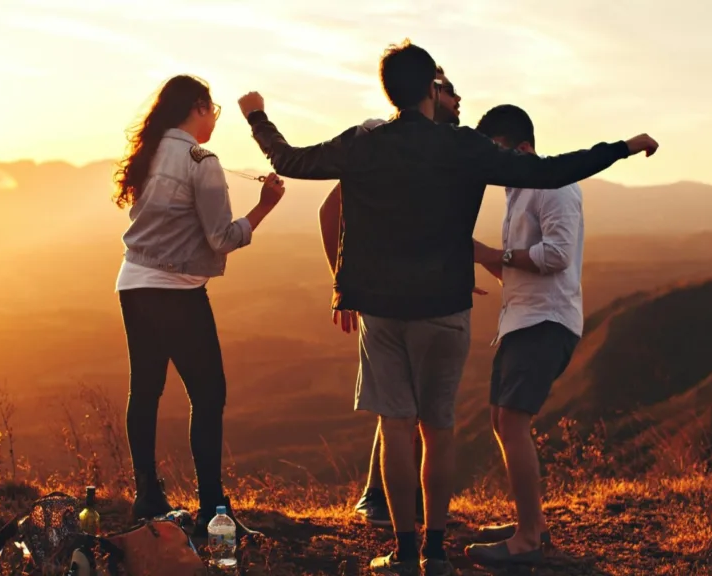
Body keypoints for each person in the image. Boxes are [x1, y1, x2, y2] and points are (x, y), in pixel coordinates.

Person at [239, 40, 657, 575]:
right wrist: (622, 147)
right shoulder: (461, 146)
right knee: (438, 429)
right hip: (445, 306)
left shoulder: (364, 144)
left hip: (382, 309)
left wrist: (257, 117)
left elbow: (290, 160)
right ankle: (435, 552)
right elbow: (551, 171)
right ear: (432, 90)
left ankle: (404, 552)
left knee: (396, 427)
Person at [113, 74, 284, 540]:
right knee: (208, 396)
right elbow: (221, 238)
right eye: (214, 111)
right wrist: (265, 206)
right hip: (178, 291)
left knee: (145, 391)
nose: (214, 121)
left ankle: (148, 497)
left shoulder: (149, 153)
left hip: (133, 283)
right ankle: (213, 510)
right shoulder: (201, 161)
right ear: (199, 108)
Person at [318, 65, 463, 528]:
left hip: (416, 294)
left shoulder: (434, 149)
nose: (458, 100)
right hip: (387, 298)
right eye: (450, 90)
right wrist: (344, 285)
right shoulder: (380, 140)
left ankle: (396, 505)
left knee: (406, 407)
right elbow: (330, 211)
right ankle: (381, 501)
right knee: (401, 409)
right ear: (428, 92)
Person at [461, 104, 585, 566]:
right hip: (521, 319)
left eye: (497, 152)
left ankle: (528, 539)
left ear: (524, 148)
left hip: (546, 322)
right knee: (502, 420)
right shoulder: (517, 191)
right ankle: (530, 522)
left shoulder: (554, 186)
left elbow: (556, 256)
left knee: (512, 422)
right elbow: (517, 266)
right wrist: (482, 259)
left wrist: (493, 254)